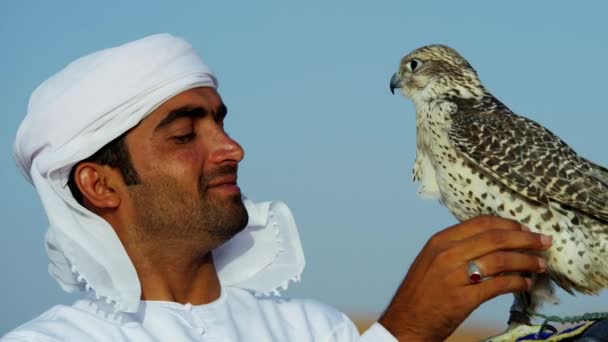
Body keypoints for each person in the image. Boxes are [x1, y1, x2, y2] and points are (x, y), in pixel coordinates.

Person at [3, 33, 552, 341]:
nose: (230, 148)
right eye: (184, 134)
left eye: (221, 121)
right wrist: (405, 330)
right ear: (100, 185)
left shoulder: (312, 328)